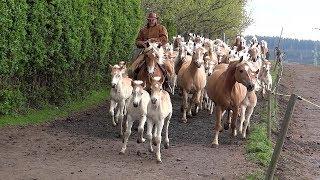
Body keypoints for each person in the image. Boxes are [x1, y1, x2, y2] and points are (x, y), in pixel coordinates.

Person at [129, 12, 171, 91]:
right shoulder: (143, 30)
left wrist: (152, 40)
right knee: (134, 65)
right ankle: (133, 81)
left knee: (166, 65)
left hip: (158, 50)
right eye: (149, 20)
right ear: (148, 20)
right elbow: (137, 40)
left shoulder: (161, 28)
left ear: (156, 19)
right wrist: (142, 43)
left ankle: (167, 83)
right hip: (146, 50)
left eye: (153, 19)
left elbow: (165, 39)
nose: (151, 21)